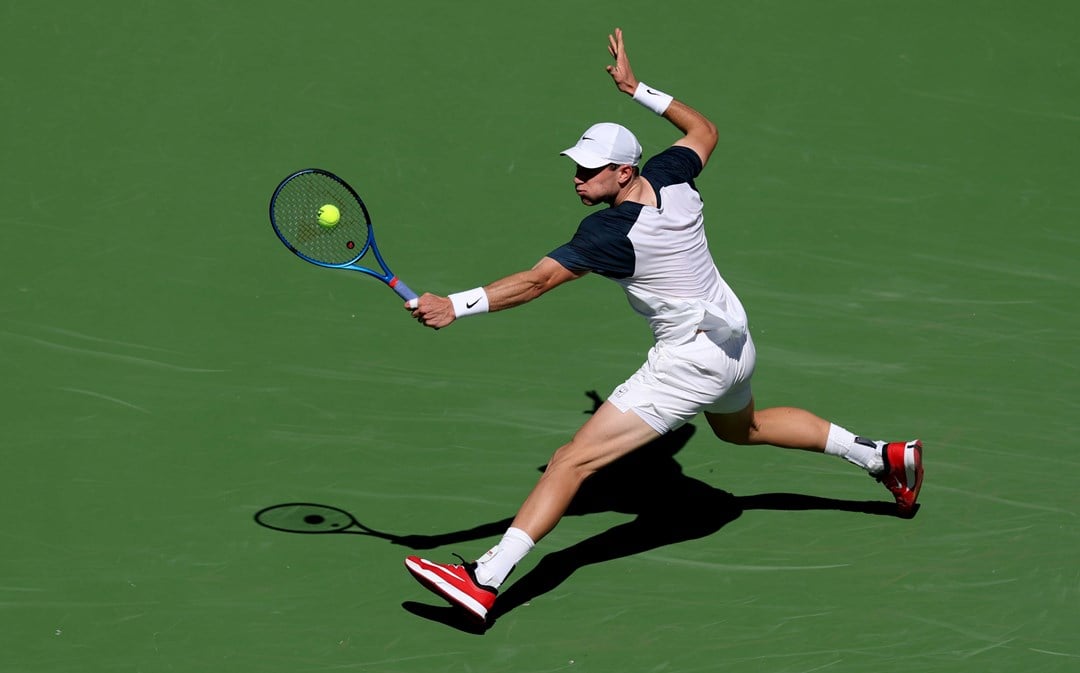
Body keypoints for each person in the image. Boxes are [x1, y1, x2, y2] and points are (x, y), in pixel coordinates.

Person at [403, 28, 923, 623]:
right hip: (734, 341)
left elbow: (535, 281)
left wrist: (455, 304)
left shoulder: (610, 234)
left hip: (689, 361)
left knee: (572, 461)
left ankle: (485, 578)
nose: (578, 178)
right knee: (741, 428)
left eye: (591, 170)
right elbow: (705, 132)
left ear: (624, 172)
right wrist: (637, 89)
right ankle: (882, 457)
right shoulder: (673, 175)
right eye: (577, 166)